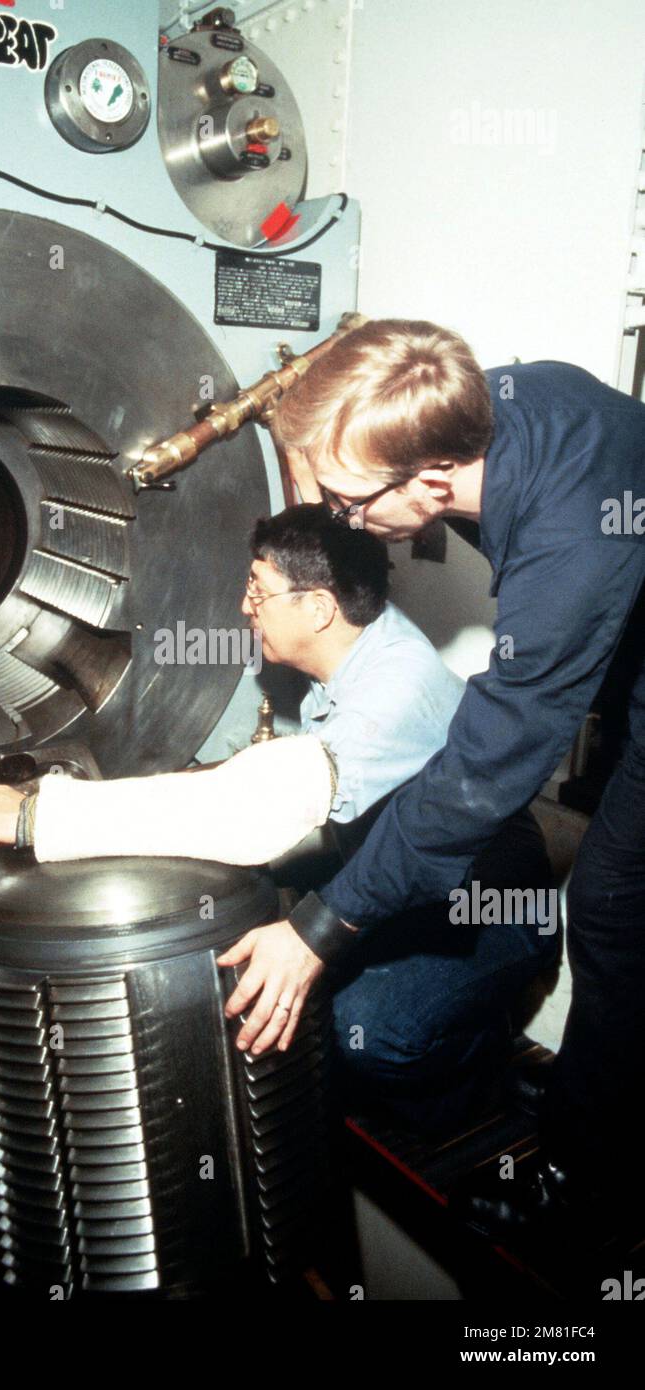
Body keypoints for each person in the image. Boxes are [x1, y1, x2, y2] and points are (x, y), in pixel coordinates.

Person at [225, 318, 645, 1243]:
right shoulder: (480, 408)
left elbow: (481, 774)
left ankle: (587, 1196)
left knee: (614, 907)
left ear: (430, 480)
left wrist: (318, 931)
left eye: (343, 502)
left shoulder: (572, 535)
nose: (341, 523)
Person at [0, 504, 556, 1132]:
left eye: (258, 588)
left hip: (492, 906)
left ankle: (483, 1085)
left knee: (370, 1030)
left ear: (317, 609)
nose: (243, 606)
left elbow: (255, 810)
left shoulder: (394, 692)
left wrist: (44, 817)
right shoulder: (362, 637)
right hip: (410, 885)